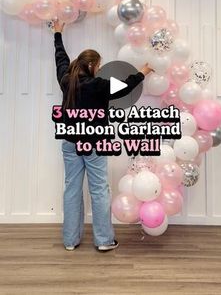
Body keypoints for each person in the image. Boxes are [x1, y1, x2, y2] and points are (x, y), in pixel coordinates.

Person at [53, 19, 153, 252]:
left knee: (72, 189)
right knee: (99, 190)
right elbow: (126, 86)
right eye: (99, 65)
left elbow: (61, 59)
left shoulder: (66, 81)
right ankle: (104, 240)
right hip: (96, 145)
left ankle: (70, 240)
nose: (99, 69)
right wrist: (143, 72)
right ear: (92, 66)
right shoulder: (98, 85)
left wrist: (57, 34)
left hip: (70, 143)